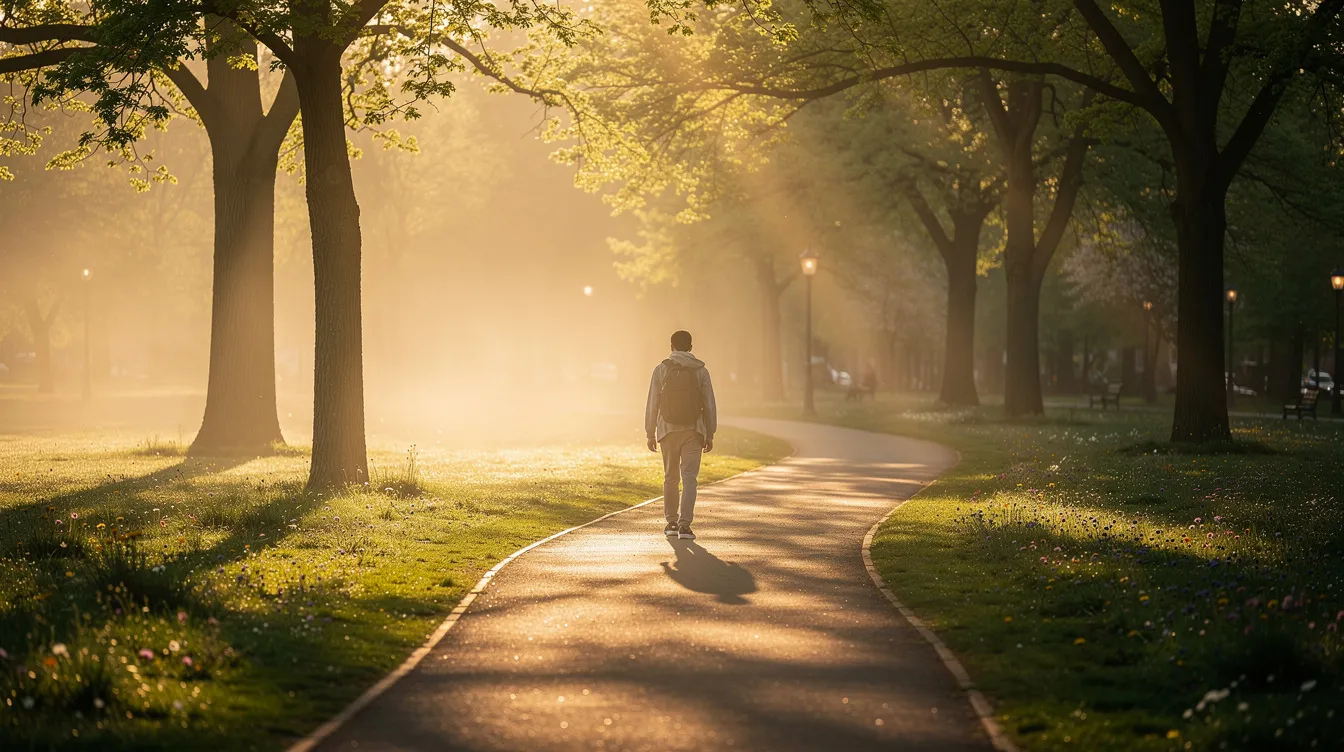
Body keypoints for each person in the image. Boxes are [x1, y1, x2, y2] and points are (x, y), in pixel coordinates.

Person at [645, 330, 718, 540]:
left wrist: (650, 432)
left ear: (671, 347)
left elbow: (653, 403)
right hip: (694, 431)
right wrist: (710, 432)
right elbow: (709, 403)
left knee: (670, 478)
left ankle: (671, 523)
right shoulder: (701, 371)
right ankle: (685, 526)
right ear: (691, 347)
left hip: (667, 431)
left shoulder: (661, 369)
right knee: (689, 478)